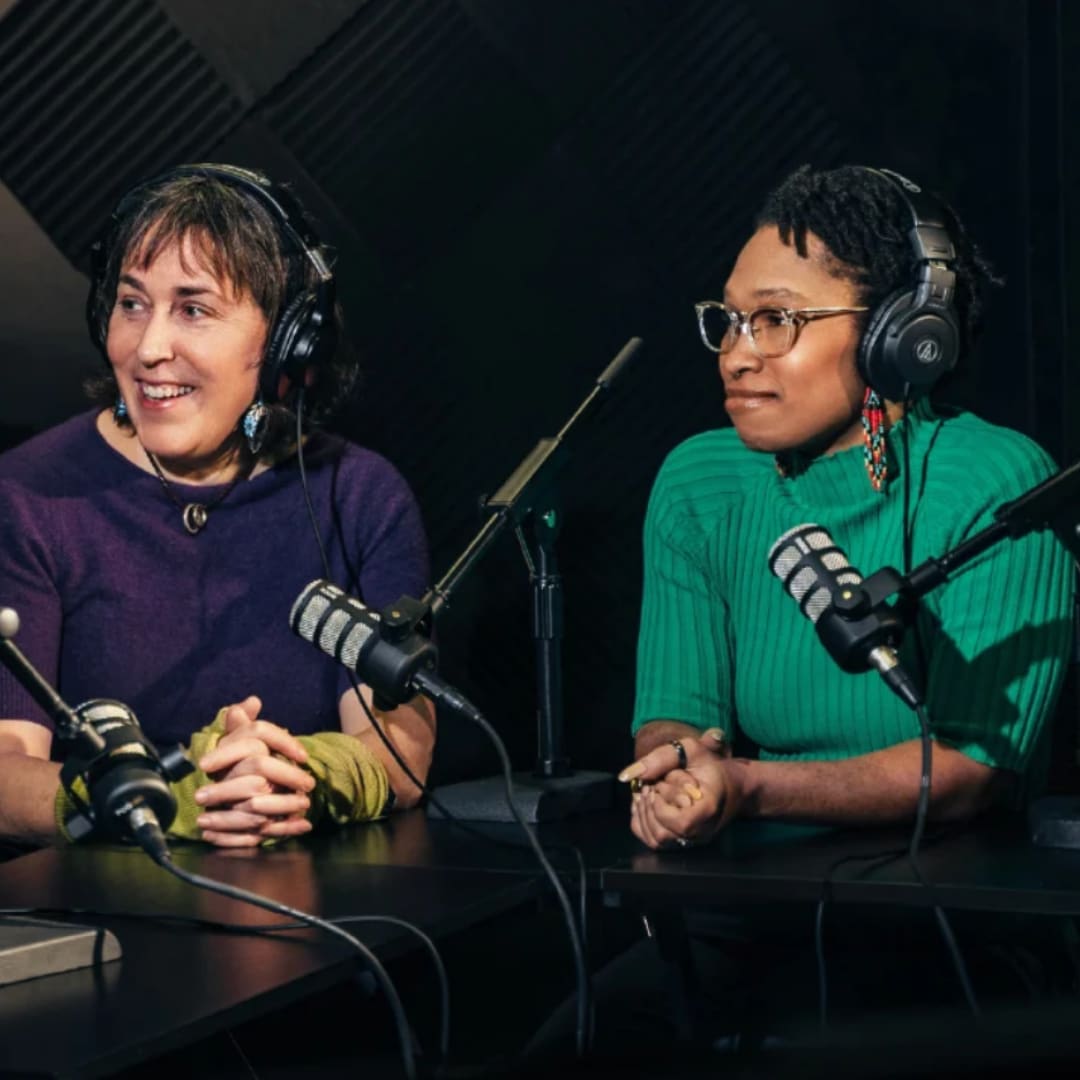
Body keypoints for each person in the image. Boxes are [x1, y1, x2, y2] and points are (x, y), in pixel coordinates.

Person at [529, 164, 1074, 1064]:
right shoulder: (701, 482)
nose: (737, 353)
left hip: (949, 924)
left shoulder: (997, 482)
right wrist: (676, 770)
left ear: (902, 334)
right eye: (729, 321)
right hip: (745, 907)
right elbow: (675, 710)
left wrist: (750, 787)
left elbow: (972, 769)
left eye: (777, 320)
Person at [0, 164, 435, 851]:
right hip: (95, 921)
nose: (147, 348)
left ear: (289, 341)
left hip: (320, 919)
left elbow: (401, 751)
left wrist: (300, 777)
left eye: (194, 309)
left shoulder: (361, 495)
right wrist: (166, 803)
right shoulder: (27, 495)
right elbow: (3, 769)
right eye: (132, 303)